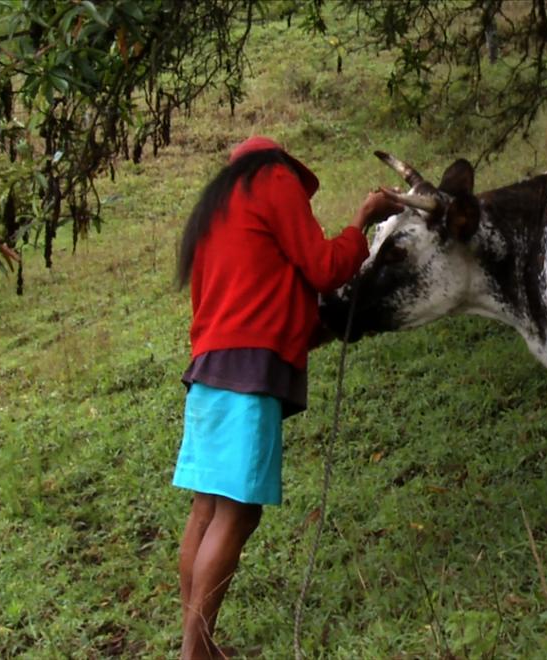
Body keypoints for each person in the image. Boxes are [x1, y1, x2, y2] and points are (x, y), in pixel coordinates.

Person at [170, 135, 399, 659]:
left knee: (206, 509)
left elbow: (258, 285)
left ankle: (198, 644)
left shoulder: (218, 207)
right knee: (237, 513)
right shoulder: (271, 180)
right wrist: (362, 219)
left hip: (209, 367)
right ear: (282, 168)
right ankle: (194, 652)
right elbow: (323, 267)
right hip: (250, 368)